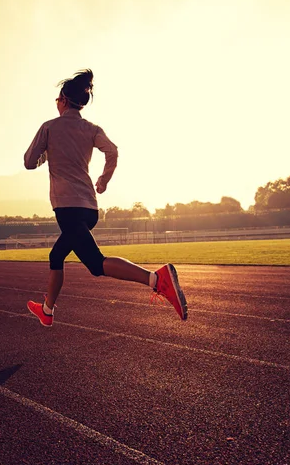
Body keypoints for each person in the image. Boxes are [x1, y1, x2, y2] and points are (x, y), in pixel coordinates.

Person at [24, 69, 187, 327]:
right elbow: (112, 151)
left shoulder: (49, 128)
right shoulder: (91, 129)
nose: (55, 104)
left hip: (67, 208)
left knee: (96, 264)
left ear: (63, 100)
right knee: (56, 256)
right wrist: (104, 179)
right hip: (89, 209)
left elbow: (28, 162)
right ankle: (47, 310)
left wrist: (45, 154)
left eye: (56, 100)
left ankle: (156, 279)